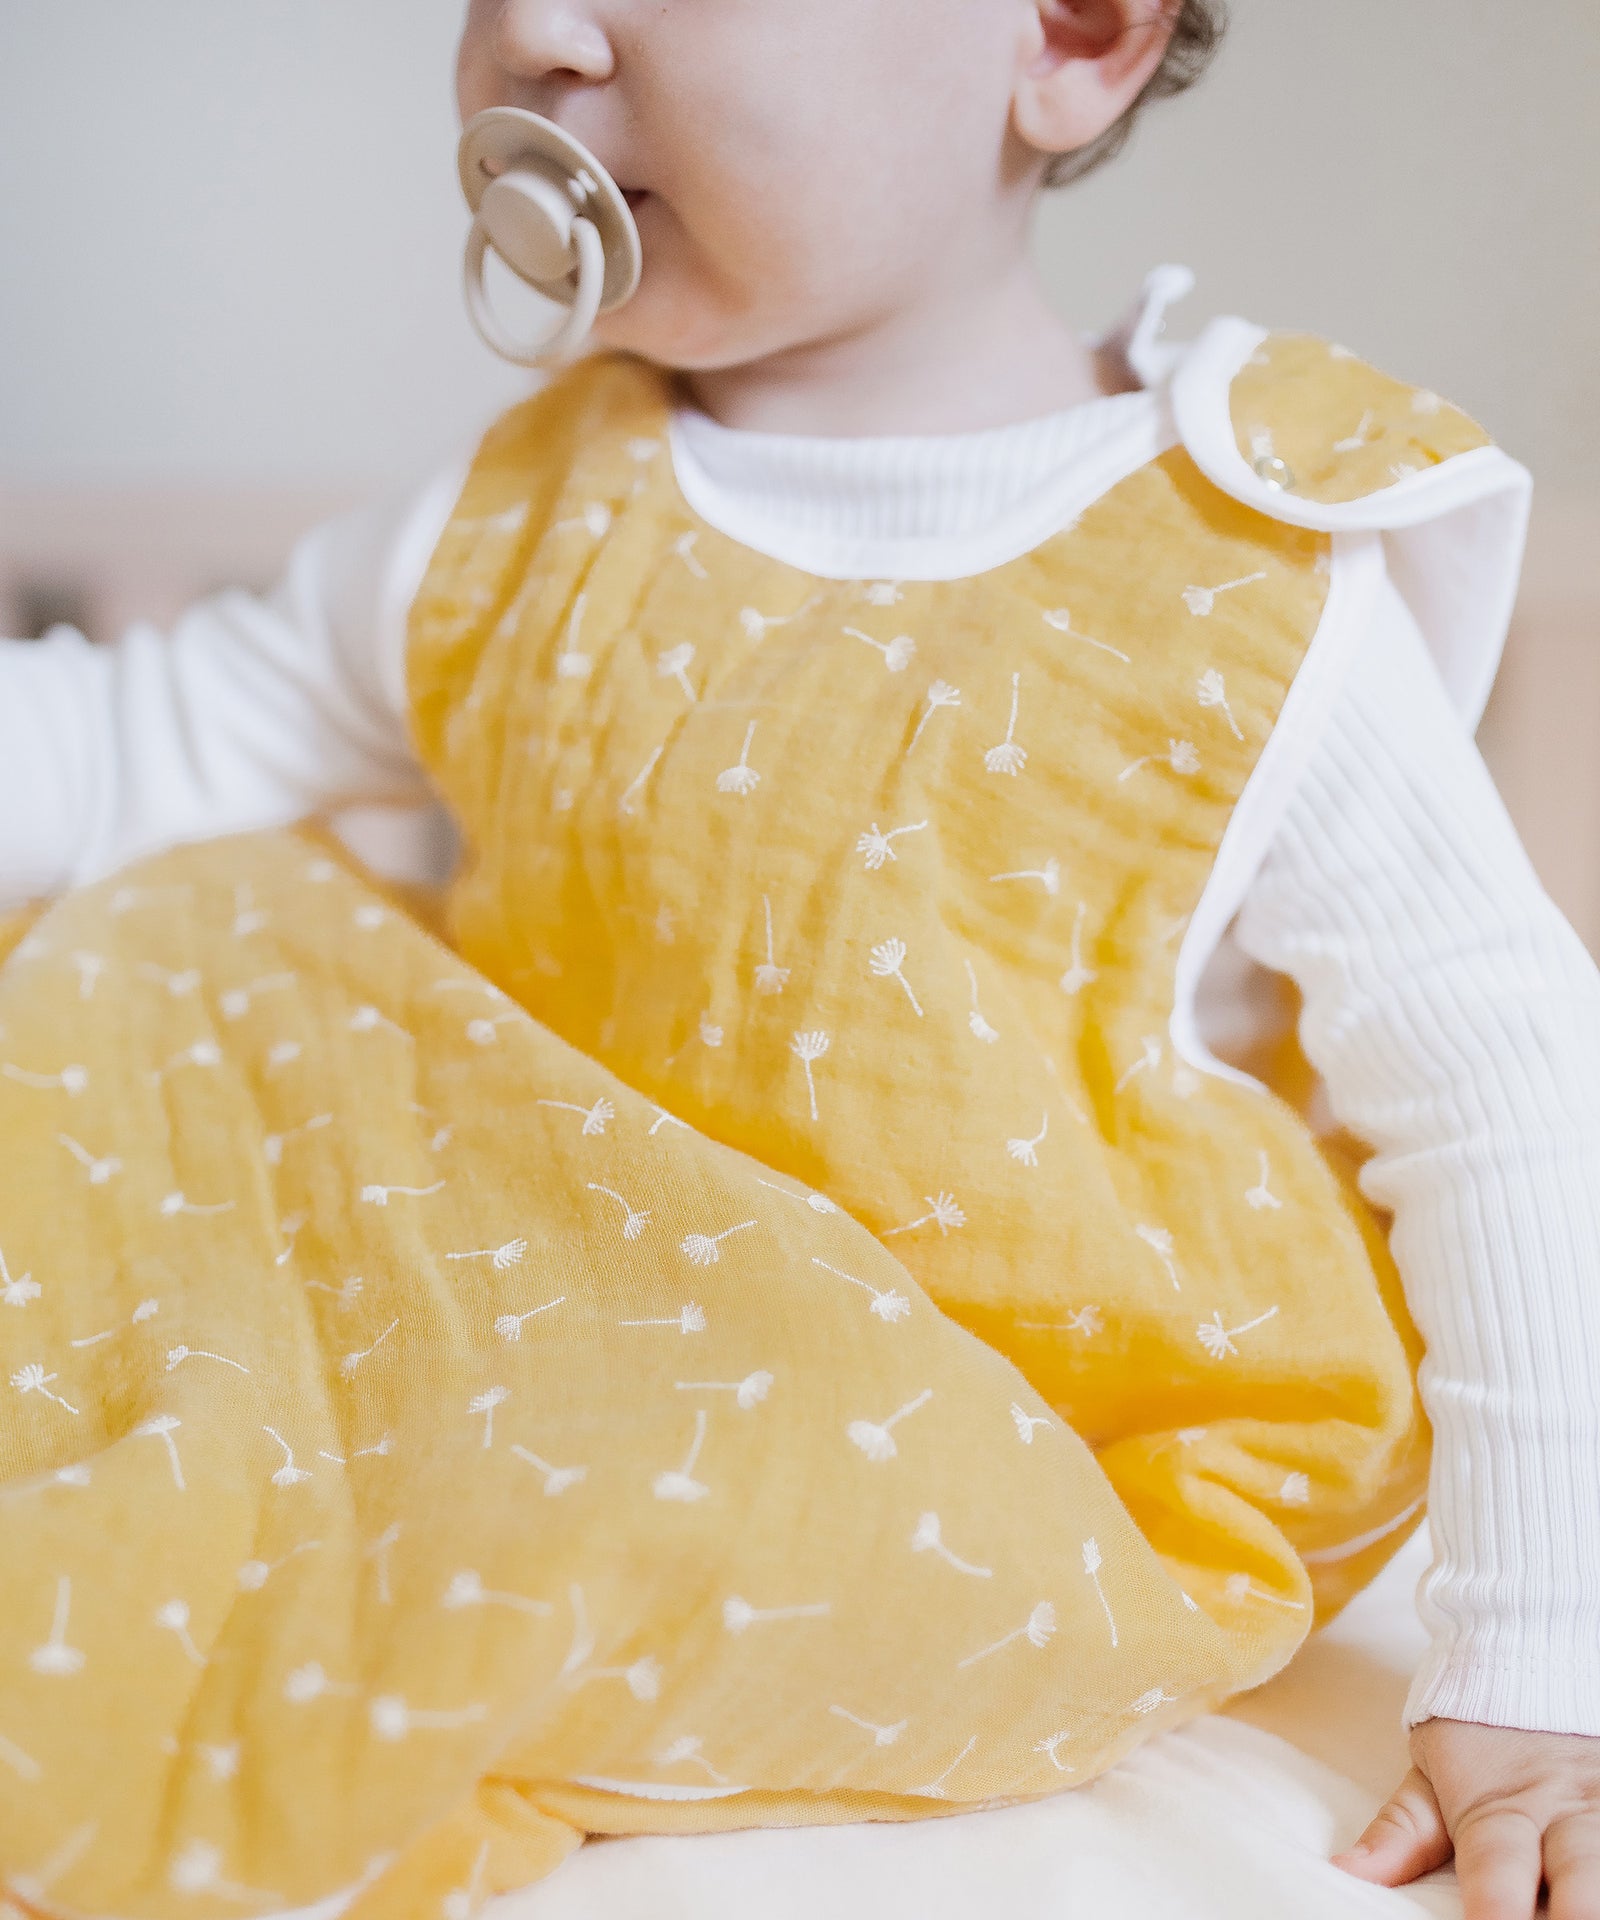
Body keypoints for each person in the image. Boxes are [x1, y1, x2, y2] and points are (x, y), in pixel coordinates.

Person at [1, 6, 1597, 1917]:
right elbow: (136, 749)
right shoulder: (515, 513)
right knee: (189, 937)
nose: (536, 31)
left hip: (987, 1456)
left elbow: (1506, 1093)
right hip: (539, 1336)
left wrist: (1537, 1668)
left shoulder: (1238, 569)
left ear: (1073, 33)